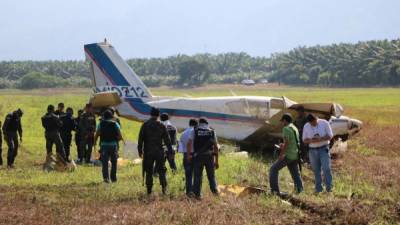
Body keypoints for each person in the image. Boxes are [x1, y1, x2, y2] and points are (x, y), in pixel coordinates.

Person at [137, 107, 173, 195]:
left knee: (148, 171)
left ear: (150, 114)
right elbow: (167, 140)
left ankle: (149, 191)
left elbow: (140, 139)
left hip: (148, 152)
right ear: (158, 115)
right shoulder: (161, 125)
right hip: (159, 152)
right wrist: (171, 151)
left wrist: (140, 151)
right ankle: (164, 189)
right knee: (161, 171)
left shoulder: (145, 125)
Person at [269, 113, 303, 196]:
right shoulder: (294, 127)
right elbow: (293, 141)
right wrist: (283, 145)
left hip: (288, 155)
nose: (282, 123)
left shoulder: (286, 128)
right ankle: (300, 190)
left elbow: (287, 143)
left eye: (282, 121)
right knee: (295, 173)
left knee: (273, 169)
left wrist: (281, 155)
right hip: (295, 154)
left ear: (285, 120)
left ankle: (275, 191)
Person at [187, 117, 219, 199]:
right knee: (211, 176)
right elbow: (216, 146)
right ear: (207, 123)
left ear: (199, 123)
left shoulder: (194, 130)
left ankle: (197, 195)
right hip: (210, 157)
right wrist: (216, 161)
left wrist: (189, 155)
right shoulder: (212, 131)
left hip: (198, 157)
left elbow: (189, 143)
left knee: (197, 176)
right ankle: (215, 193)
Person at [302, 114, 334, 193]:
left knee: (326, 168)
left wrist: (321, 139)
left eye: (314, 122)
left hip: (323, 148)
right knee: (316, 170)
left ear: (317, 118)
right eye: (311, 123)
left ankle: (329, 188)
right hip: (312, 150)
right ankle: (318, 189)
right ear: (309, 122)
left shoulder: (324, 123)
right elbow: (304, 140)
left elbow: (330, 136)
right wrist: (312, 140)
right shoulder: (306, 126)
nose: (313, 124)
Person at [94, 110, 124, 183]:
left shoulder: (101, 124)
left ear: (104, 117)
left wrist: (94, 142)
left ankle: (106, 179)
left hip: (104, 146)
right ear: (111, 116)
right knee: (114, 162)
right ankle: (113, 178)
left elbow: (97, 134)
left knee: (105, 163)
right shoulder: (115, 124)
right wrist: (115, 140)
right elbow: (120, 136)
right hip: (113, 146)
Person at [178, 118, 198, 196]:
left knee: (188, 174)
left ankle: (188, 191)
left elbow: (181, 148)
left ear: (189, 124)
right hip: (195, 154)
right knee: (197, 174)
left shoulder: (183, 133)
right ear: (196, 125)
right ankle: (196, 191)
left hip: (186, 155)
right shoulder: (196, 132)